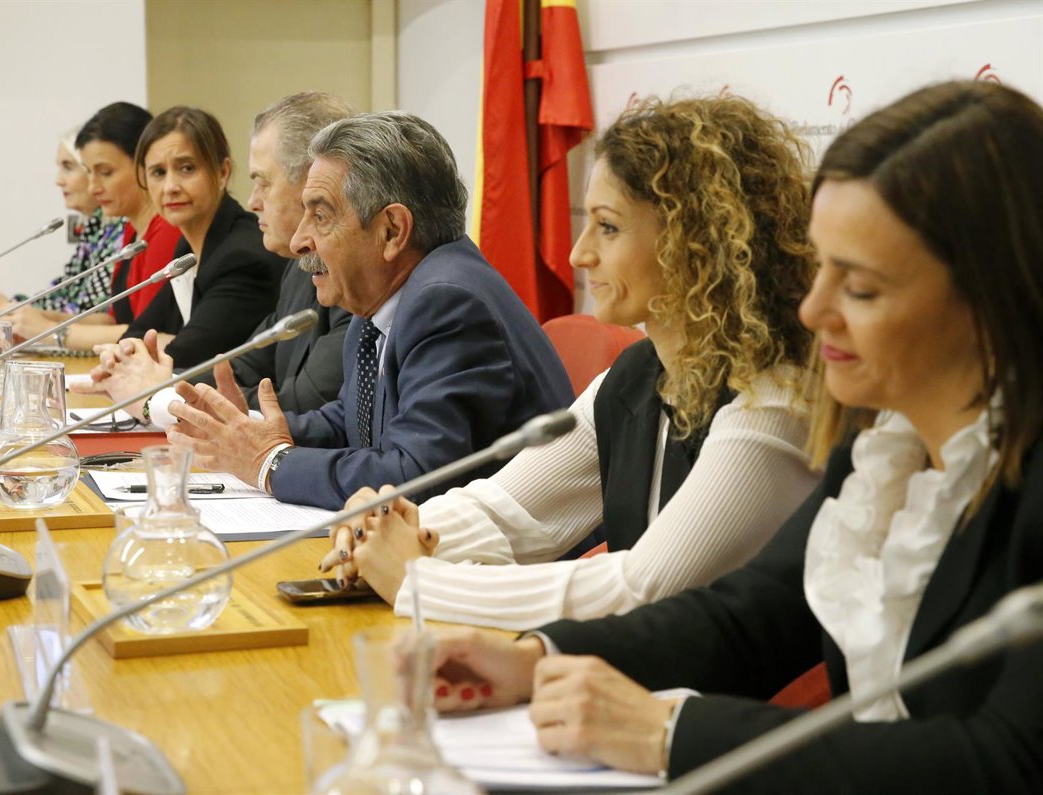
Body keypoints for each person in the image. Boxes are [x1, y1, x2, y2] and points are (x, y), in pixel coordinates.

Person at [413, 81, 1043, 793]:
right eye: (822, 268)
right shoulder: (885, 446)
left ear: (992, 295)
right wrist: (536, 659)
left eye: (860, 288)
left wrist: (667, 733)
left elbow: (1004, 761)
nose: (814, 309)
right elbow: (751, 615)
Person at [323, 95, 821, 630]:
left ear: (695, 240)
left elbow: (640, 587)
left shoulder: (773, 402)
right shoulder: (634, 379)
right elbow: (510, 512)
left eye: (607, 227)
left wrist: (418, 581)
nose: (578, 254)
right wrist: (387, 532)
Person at [164, 112, 574, 509]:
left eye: (320, 216)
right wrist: (252, 431)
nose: (299, 241)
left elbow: (416, 478)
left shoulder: (447, 303)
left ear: (392, 230)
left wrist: (271, 463)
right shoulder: (381, 296)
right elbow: (352, 421)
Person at [77, 92, 355, 415]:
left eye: (264, 183)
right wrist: (151, 376)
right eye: (157, 173)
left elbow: (300, 405)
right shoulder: (299, 268)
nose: (253, 201)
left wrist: (165, 394)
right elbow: (241, 366)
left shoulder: (250, 257)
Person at [9, 102, 182, 347]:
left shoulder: (167, 229)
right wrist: (30, 319)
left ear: (144, 165)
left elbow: (145, 333)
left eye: (106, 172)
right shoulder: (131, 229)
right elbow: (112, 321)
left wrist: (51, 331)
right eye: (89, 172)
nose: (93, 188)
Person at [0, 128, 125, 314]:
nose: (58, 180)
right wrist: (11, 305)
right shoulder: (95, 227)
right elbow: (63, 292)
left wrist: (9, 307)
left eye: (68, 167)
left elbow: (89, 311)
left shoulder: (121, 231)